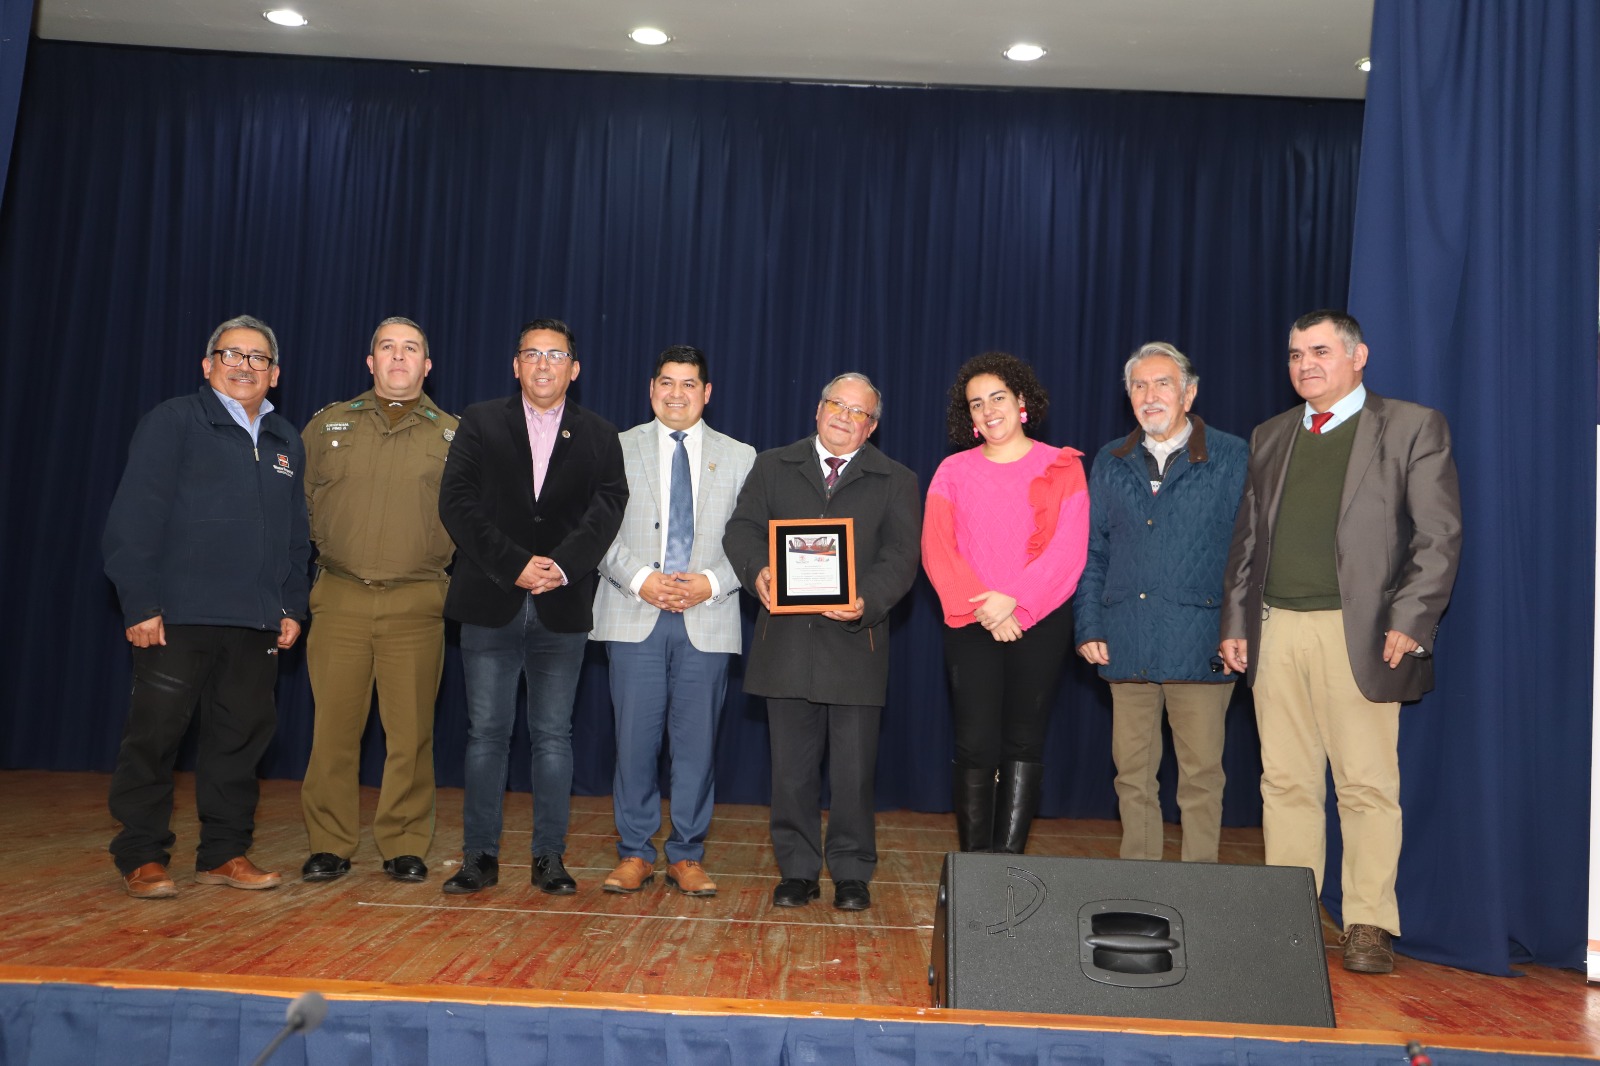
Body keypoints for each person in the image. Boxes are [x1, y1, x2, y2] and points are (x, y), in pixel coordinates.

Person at [1220, 310, 1462, 974]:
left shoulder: (1412, 426)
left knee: (1365, 785)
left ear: (1359, 356)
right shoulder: (1270, 436)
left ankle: (1368, 924)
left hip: (1360, 635)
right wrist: (1235, 624)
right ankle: (1290, 919)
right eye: (1296, 354)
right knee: (1286, 783)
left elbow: (1437, 538)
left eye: (1320, 351)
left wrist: (1411, 621)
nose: (1306, 365)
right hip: (1275, 630)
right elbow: (1246, 543)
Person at [102, 314, 310, 898]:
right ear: (207, 364)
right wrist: (140, 603)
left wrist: (292, 605)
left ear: (275, 373)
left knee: (240, 741)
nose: (244, 366)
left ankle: (224, 853)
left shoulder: (285, 440)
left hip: (257, 621)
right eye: (232, 354)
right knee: (155, 737)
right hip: (178, 617)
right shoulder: (173, 422)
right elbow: (132, 520)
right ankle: (141, 855)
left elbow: (297, 536)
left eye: (257, 358)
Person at [437, 318, 627, 896]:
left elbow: (608, 507)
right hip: (490, 597)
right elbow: (457, 502)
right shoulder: (479, 421)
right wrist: (514, 562)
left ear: (575, 368)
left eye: (555, 355)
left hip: (561, 606)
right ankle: (479, 857)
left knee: (553, 737)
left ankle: (550, 857)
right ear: (515, 364)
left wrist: (561, 566)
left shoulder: (599, 434)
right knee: (486, 734)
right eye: (531, 354)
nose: (543, 365)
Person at [722, 373, 920, 911]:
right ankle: (798, 870)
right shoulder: (772, 465)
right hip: (784, 644)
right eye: (837, 405)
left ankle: (852, 872)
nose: (844, 417)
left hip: (857, 645)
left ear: (872, 427)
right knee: (790, 770)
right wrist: (759, 571)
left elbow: (901, 559)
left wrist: (866, 601)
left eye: (858, 413)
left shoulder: (896, 480)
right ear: (817, 409)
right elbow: (740, 530)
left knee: (855, 773)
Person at [590, 345, 757, 897]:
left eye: (689, 384)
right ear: (651, 387)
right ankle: (635, 852)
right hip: (634, 610)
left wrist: (713, 582)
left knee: (697, 745)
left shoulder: (741, 457)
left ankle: (687, 854)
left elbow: (753, 539)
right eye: (667, 382)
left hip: (706, 616)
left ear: (706, 393)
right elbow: (594, 531)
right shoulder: (614, 449)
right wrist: (640, 578)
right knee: (633, 742)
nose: (676, 393)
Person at [298, 317, 459, 885]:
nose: (398, 357)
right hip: (338, 598)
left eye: (411, 348)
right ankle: (329, 843)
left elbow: (472, 521)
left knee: (410, 735)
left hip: (417, 603)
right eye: (387, 347)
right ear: (370, 361)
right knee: (333, 732)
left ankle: (405, 843)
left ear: (427, 365)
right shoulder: (326, 426)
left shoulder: (456, 437)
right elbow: (301, 510)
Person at [1073, 342, 1247, 863]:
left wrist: (1239, 628)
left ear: (1188, 392)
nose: (1150, 396)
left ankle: (1197, 889)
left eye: (1162, 383)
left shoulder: (1234, 455)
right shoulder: (1111, 458)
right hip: (1125, 641)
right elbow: (1092, 549)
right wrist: (1088, 626)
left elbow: (1249, 554)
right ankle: (1138, 887)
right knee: (1131, 776)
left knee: (1200, 779)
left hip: (1202, 643)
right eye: (1139, 386)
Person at [922, 353, 1088, 855]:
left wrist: (1017, 601)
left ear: (1021, 402)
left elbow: (1069, 549)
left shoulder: (1062, 466)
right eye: (976, 404)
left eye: (998, 397)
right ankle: (976, 870)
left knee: (1023, 741)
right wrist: (988, 609)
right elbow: (937, 548)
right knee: (974, 743)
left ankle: (1007, 866)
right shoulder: (951, 471)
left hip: (1038, 620)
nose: (988, 410)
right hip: (971, 620)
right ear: (968, 417)